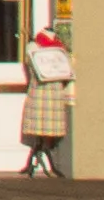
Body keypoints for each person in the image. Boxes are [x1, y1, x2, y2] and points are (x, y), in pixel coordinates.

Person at [21, 27, 77, 176]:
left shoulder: (60, 48)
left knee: (49, 130)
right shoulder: (33, 46)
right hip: (39, 93)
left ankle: (42, 151)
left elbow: (67, 71)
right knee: (39, 128)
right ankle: (39, 152)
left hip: (55, 94)